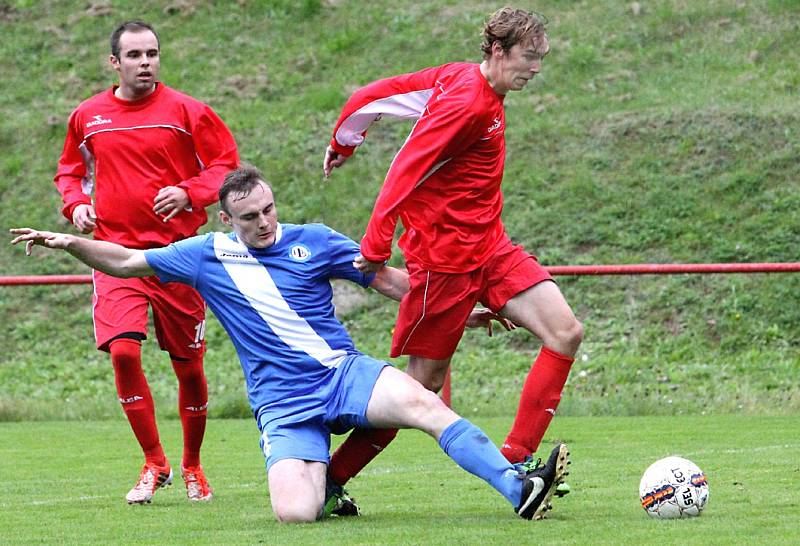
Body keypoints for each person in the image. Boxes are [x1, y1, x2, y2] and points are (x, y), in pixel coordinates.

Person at [11, 165, 570, 522]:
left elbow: (387, 280)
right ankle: (325, 486)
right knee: (296, 514)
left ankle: (517, 486)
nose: (264, 223)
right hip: (282, 402)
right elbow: (129, 261)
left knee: (425, 403)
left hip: (342, 372)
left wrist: (461, 311)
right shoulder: (206, 253)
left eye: (269, 209)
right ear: (227, 219)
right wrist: (69, 243)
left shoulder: (316, 240)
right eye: (250, 216)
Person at [321, 6, 584, 491]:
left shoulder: (462, 80)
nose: (536, 69)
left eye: (541, 58)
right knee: (419, 391)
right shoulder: (466, 102)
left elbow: (374, 95)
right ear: (499, 51)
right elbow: (405, 169)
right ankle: (331, 480)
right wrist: (376, 246)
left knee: (565, 332)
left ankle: (516, 461)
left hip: (491, 248)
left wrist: (346, 139)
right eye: (528, 57)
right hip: (444, 265)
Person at [52, 20, 239, 503]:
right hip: (115, 254)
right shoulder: (87, 116)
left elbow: (225, 165)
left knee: (189, 368)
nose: (146, 62)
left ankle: (193, 465)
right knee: (123, 352)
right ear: (114, 62)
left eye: (152, 53)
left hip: (178, 257)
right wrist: (76, 205)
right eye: (134, 55)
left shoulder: (187, 111)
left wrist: (189, 191)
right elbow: (70, 171)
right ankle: (154, 462)